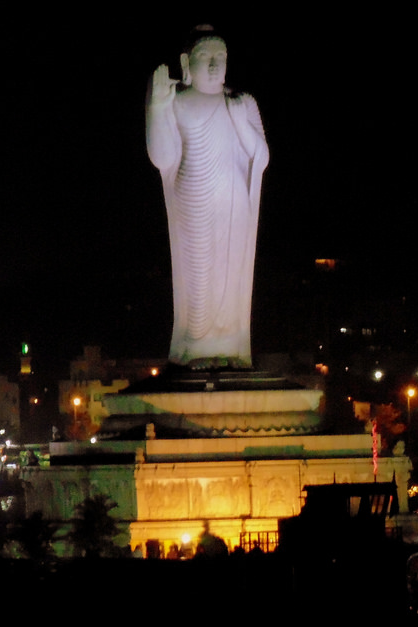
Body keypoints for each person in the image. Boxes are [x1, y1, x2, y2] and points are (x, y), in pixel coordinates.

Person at [146, 26, 270, 369]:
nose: (214, 66)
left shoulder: (242, 102)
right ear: (187, 62)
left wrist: (238, 118)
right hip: (194, 195)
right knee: (199, 278)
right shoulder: (178, 103)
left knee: (230, 276)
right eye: (205, 57)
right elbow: (163, 157)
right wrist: (157, 107)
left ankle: (230, 346)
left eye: (220, 58)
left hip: (233, 201)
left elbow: (260, 157)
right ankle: (195, 345)